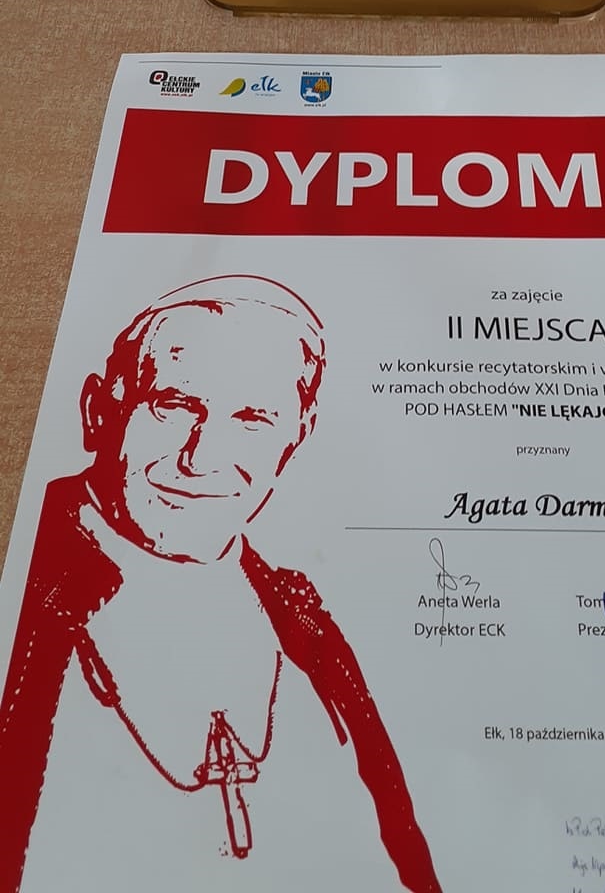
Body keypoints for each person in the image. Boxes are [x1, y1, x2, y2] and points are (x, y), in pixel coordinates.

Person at [0, 276, 440, 893]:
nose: (201, 456)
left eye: (253, 419)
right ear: (99, 411)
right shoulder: (21, 577)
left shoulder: (300, 619)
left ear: (296, 438)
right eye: (174, 405)